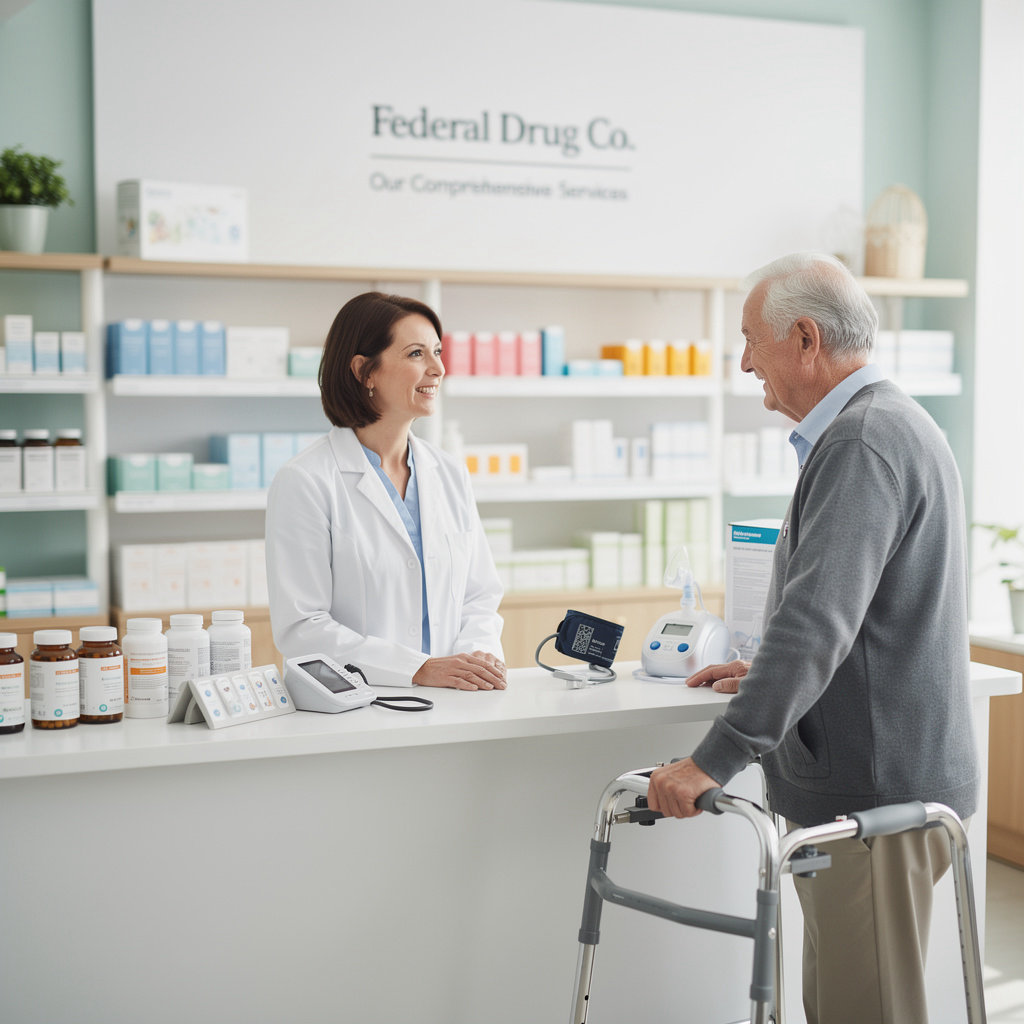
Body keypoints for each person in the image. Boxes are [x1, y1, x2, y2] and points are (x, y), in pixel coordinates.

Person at [647, 252, 977, 1024]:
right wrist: (760, 670)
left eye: (750, 342)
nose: (743, 362)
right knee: (840, 1002)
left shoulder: (862, 441)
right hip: (874, 788)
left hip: (878, 799)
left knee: (867, 1010)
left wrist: (712, 762)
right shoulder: (879, 426)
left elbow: (817, 623)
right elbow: (854, 617)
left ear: (803, 339)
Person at [266, 291, 506, 691]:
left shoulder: (447, 472)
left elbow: (479, 594)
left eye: (437, 351)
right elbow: (301, 627)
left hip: (458, 701)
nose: (438, 368)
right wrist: (417, 668)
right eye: (416, 354)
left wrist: (475, 657)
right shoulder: (306, 481)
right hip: (362, 706)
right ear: (365, 371)